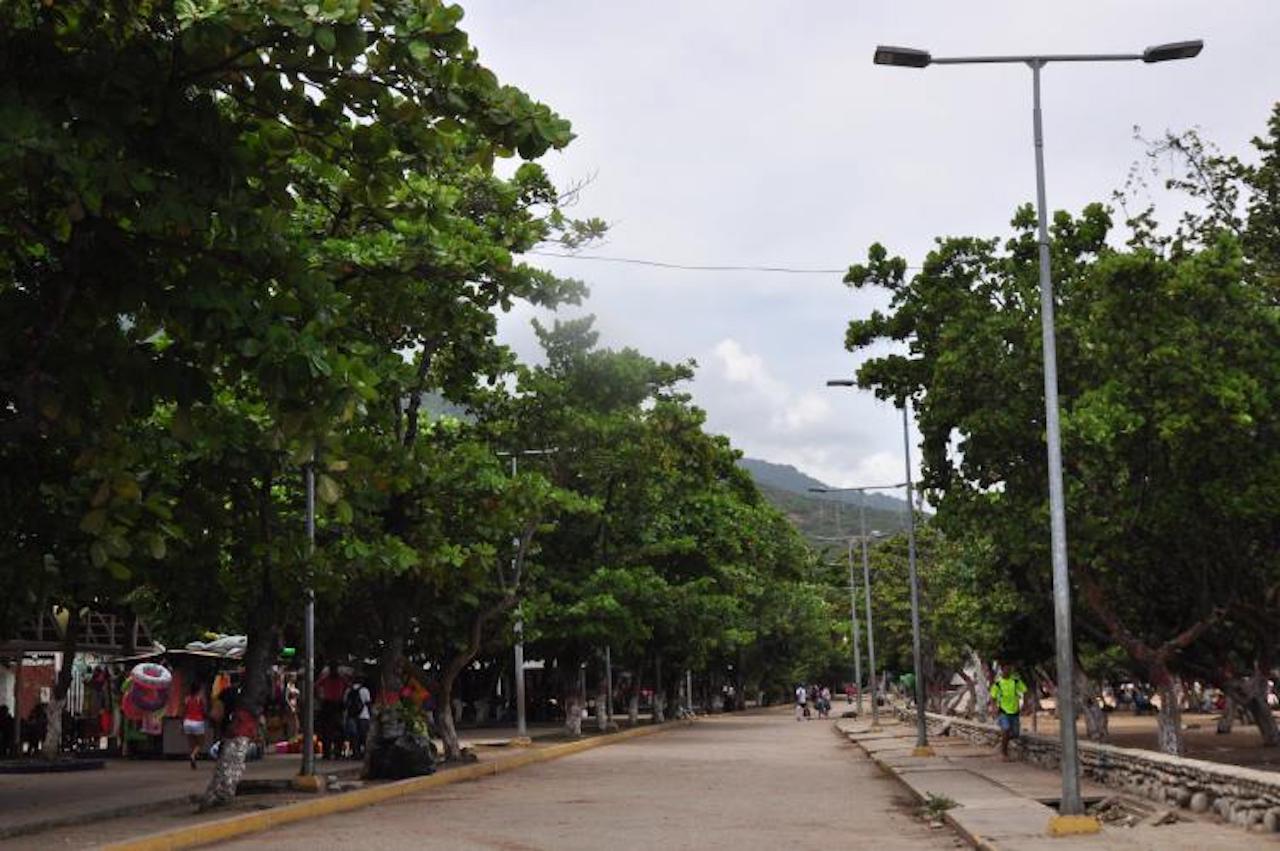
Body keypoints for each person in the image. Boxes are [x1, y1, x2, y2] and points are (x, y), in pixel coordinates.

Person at [989, 664, 1027, 760]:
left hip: (1014, 711)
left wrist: (1025, 704)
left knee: (1015, 734)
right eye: (1005, 669)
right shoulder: (998, 683)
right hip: (1003, 711)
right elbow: (993, 698)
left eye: (1009, 669)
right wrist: (994, 709)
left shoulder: (1015, 681)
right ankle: (1004, 753)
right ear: (1002, 670)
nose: (1008, 671)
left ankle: (1002, 742)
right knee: (1006, 729)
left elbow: (1024, 690)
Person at [344, 677, 372, 759]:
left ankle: (356, 753)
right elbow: (368, 703)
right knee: (363, 736)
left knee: (354, 736)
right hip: (364, 716)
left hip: (352, 716)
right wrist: (371, 715)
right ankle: (364, 753)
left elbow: (345, 703)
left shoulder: (348, 690)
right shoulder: (365, 690)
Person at [182, 680, 207, 769]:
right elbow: (204, 710)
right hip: (198, 721)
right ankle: (193, 755)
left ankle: (193, 758)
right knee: (201, 743)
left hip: (187, 721)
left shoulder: (187, 698)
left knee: (191, 743)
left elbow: (184, 711)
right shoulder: (200, 698)